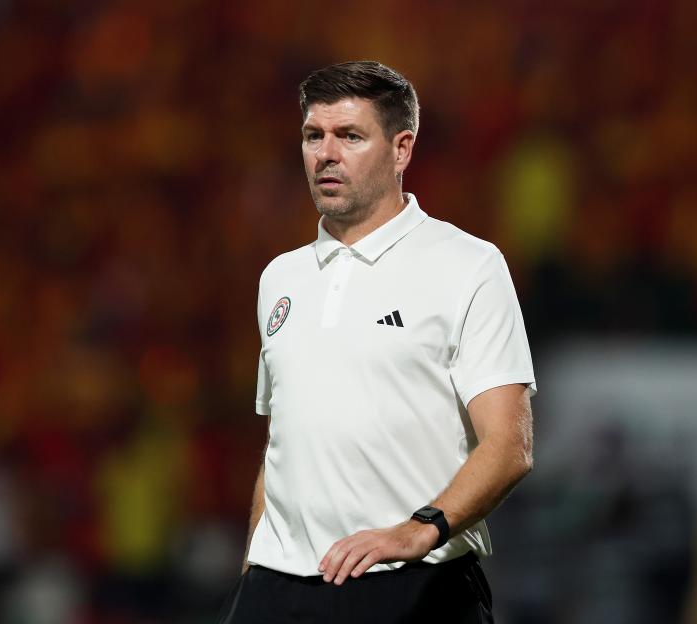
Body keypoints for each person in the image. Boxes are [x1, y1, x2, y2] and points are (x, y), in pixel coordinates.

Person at [218, 60, 536, 624]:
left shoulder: (468, 266)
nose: (325, 153)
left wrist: (420, 530)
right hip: (277, 590)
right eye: (314, 136)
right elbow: (284, 444)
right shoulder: (280, 279)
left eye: (350, 136)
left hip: (412, 585)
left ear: (401, 149)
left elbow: (509, 445)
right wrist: (253, 566)